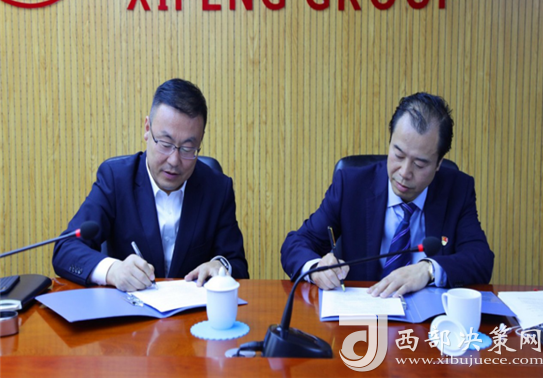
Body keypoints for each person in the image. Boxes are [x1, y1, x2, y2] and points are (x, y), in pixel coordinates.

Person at [280, 93, 494, 297]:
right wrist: (316, 269)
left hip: (429, 317)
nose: (405, 172)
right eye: (398, 155)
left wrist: (428, 269)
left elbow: (480, 259)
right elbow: (296, 243)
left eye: (420, 164)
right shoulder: (351, 186)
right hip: (362, 312)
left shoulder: (457, 190)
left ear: (439, 163)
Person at [53, 78, 249, 291]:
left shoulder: (217, 189)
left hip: (195, 311)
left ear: (200, 141)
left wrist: (220, 266)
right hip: (129, 309)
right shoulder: (116, 180)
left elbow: (237, 265)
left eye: (187, 148)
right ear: (147, 129)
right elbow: (66, 248)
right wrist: (112, 270)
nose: (174, 160)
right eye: (165, 143)